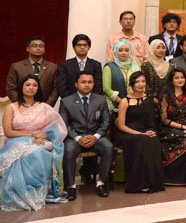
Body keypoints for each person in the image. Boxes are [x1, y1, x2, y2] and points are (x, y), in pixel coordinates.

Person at [0, 75, 68, 211]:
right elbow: (8, 131)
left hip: (40, 140)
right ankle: (19, 192)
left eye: (34, 85)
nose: (31, 88)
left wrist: (43, 135)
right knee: (28, 153)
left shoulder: (44, 107)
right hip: (15, 141)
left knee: (39, 151)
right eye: (27, 85)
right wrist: (32, 134)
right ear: (21, 87)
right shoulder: (12, 107)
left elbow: (56, 127)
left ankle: (38, 191)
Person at [59, 71, 113, 199]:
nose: (87, 85)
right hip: (75, 137)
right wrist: (78, 138)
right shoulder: (66, 101)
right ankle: (71, 187)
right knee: (68, 150)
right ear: (76, 84)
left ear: (94, 84)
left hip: (96, 136)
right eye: (83, 82)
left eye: (90, 82)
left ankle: (101, 183)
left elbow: (106, 122)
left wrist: (96, 136)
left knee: (108, 147)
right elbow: (64, 124)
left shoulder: (100, 100)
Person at [114, 71, 165, 193]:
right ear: (132, 84)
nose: (141, 84)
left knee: (154, 141)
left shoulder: (151, 99)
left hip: (147, 131)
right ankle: (137, 184)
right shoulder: (124, 101)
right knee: (143, 141)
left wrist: (150, 132)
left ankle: (152, 183)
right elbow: (121, 126)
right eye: (137, 82)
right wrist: (141, 134)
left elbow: (155, 119)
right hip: (127, 133)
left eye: (143, 81)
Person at [6, 35, 59, 106]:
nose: (38, 48)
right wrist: (23, 104)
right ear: (28, 48)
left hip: (44, 108)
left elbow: (56, 89)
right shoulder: (16, 66)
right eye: (34, 46)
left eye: (41, 46)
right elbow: (11, 89)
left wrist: (46, 106)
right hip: (22, 108)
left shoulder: (53, 67)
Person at [102, 39, 141, 109]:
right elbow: (106, 89)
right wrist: (121, 101)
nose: (124, 53)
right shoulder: (109, 67)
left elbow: (141, 84)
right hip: (116, 104)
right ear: (115, 52)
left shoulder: (136, 66)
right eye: (120, 50)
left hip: (135, 103)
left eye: (127, 50)